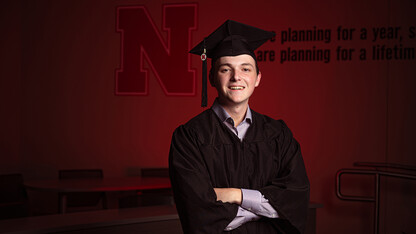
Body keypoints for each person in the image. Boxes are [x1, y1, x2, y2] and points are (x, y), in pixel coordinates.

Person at [169, 20, 310, 234]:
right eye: (226, 69)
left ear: (257, 78)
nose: (236, 77)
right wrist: (268, 207)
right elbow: (198, 211)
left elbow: (295, 201)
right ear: (212, 78)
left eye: (246, 69)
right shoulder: (190, 137)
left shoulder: (278, 134)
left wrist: (237, 195)